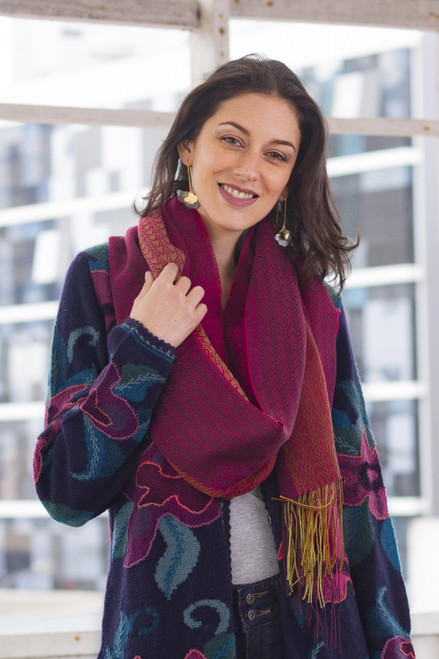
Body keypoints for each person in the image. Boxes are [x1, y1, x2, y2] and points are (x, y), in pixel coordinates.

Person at [34, 55, 415, 658]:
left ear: (291, 176)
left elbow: (357, 483)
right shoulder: (104, 280)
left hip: (309, 627)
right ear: (188, 145)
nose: (249, 170)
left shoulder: (311, 295)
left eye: (276, 154)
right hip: (167, 629)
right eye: (231, 140)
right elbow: (63, 489)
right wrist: (147, 344)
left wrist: (392, 640)